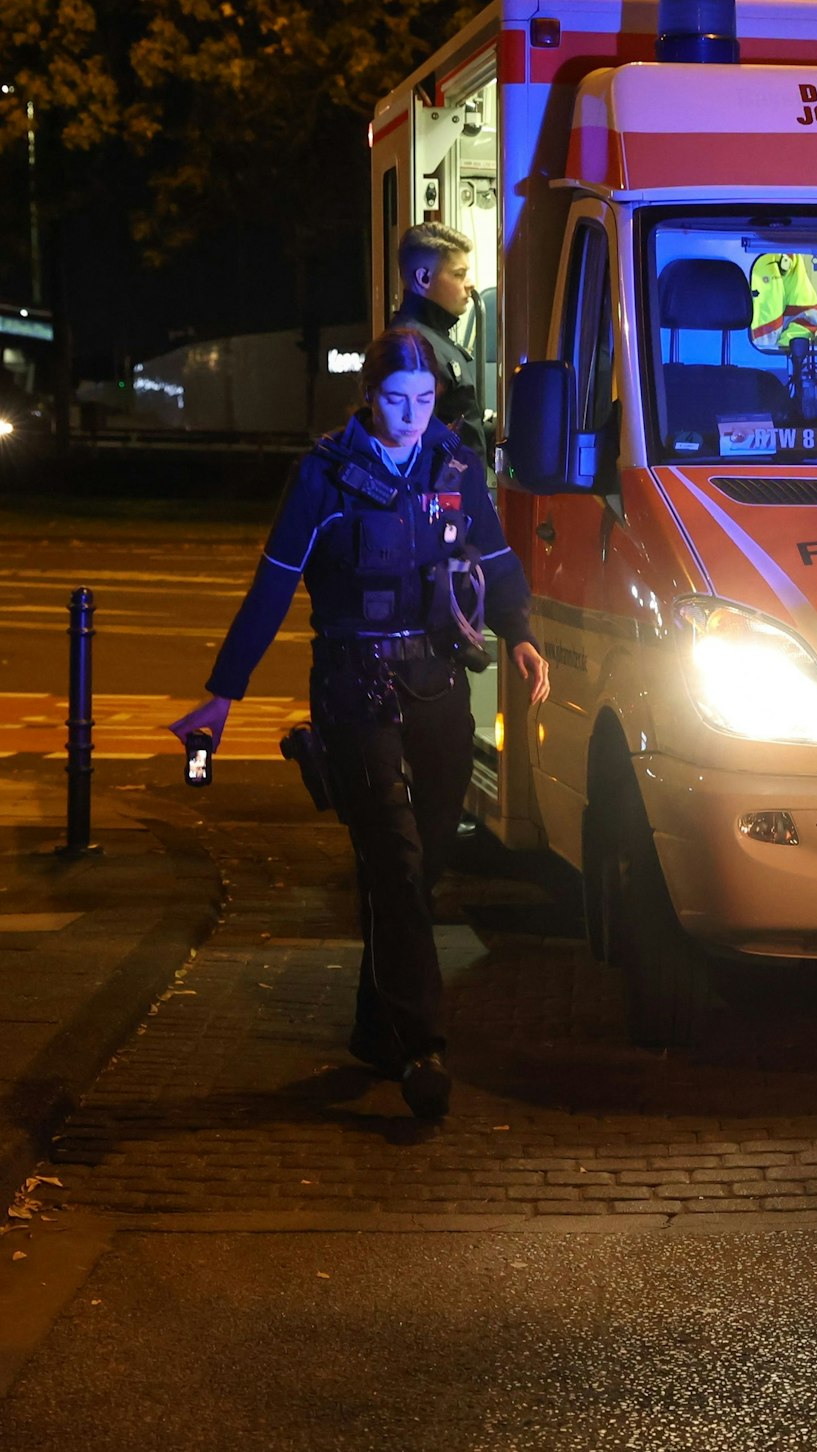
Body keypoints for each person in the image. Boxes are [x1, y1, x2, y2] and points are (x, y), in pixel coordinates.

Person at [168, 329, 550, 1120]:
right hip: (354, 685)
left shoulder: (454, 465)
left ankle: (376, 1028)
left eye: (424, 400)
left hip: (437, 681)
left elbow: (497, 557)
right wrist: (223, 694)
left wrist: (521, 634)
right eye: (395, 400)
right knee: (397, 863)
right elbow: (273, 586)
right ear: (368, 397)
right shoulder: (324, 475)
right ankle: (421, 1049)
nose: (411, 416)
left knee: (420, 865)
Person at [390, 222, 488, 460]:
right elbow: (412, 447)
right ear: (424, 278)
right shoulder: (412, 348)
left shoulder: (433, 339)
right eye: (458, 274)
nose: (470, 283)